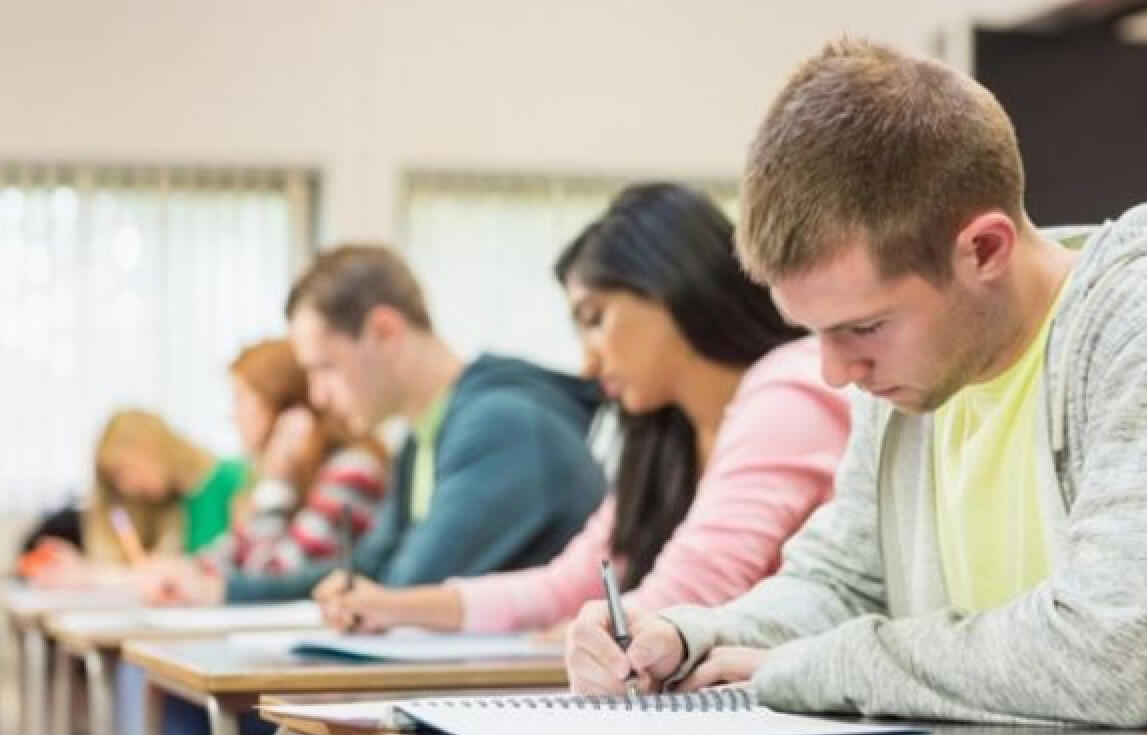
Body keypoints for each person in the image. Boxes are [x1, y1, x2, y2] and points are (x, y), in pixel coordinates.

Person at [564, 37, 1147, 735]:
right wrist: (686, 636)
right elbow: (840, 586)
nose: (835, 373)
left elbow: (1116, 656)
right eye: (818, 333)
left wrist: (812, 667)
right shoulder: (912, 376)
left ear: (984, 249)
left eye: (863, 327)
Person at [316, 182, 850, 635]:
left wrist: (586, 633)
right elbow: (570, 584)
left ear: (670, 284)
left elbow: (696, 589)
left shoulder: (788, 390)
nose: (589, 362)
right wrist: (392, 607)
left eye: (595, 319)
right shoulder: (666, 434)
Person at [152, 245, 607, 610]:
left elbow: (403, 588)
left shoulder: (501, 426)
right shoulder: (421, 437)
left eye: (326, 367)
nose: (317, 396)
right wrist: (226, 591)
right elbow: (368, 570)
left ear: (384, 331)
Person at [144, 338, 387, 590]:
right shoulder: (298, 478)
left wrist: (276, 482)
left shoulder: (350, 472)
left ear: (282, 406)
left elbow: (266, 574)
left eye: (240, 399)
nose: (232, 415)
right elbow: (234, 555)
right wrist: (181, 570)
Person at [25, 409, 249, 588]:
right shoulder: (172, 504)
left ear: (148, 448)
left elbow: (234, 570)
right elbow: (156, 574)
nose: (127, 487)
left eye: (125, 471)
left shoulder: (236, 480)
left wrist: (91, 575)